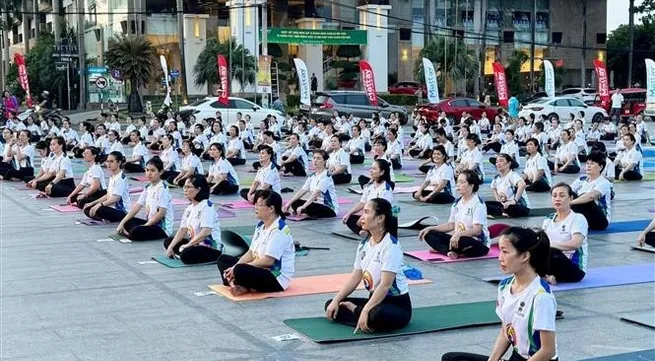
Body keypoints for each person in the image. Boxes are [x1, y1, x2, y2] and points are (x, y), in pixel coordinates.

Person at [441, 227, 557, 361]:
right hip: (517, 357)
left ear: (525, 256)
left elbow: (548, 350)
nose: (500, 257)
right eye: (500, 250)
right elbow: (505, 331)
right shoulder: (504, 286)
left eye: (505, 252)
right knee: (451, 358)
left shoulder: (541, 296)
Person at [325, 198, 411, 333]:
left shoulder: (391, 246)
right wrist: (336, 300)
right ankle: (364, 317)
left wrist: (363, 310)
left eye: (366, 212)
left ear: (380, 218)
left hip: (396, 304)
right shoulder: (364, 244)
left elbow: (385, 285)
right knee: (331, 305)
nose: (362, 217)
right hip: (374, 301)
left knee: (376, 315)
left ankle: (358, 312)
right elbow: (355, 277)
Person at [217, 190, 295, 295]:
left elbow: (268, 261)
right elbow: (250, 253)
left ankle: (239, 283)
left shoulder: (279, 230)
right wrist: (234, 266)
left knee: (240, 269)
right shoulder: (260, 226)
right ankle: (240, 285)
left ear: (271, 208)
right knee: (223, 260)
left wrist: (237, 268)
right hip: (257, 269)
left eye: (259, 205)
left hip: (274, 277)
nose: (255, 208)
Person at [418, 170, 490, 259]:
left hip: (476, 242)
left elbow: (477, 230)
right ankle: (449, 252)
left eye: (462, 182)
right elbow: (450, 225)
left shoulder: (478, 204)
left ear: (471, 185)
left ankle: (443, 249)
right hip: (456, 239)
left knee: (465, 242)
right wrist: (430, 228)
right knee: (429, 234)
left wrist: (458, 234)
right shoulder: (457, 202)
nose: (458, 184)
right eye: (458, 181)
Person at [163, 175, 223, 264]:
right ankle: (184, 250)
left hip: (209, 247)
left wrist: (187, 245)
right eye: (184, 187)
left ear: (198, 189)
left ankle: (186, 252)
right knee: (168, 242)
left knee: (186, 255)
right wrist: (171, 247)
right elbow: (183, 229)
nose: (185, 190)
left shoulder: (206, 206)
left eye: (188, 187)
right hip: (195, 243)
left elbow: (206, 231)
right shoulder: (189, 208)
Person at [116, 157, 175, 241]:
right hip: (151, 224)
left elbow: (161, 213)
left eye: (152, 170)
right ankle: (130, 232)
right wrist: (122, 223)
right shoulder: (148, 187)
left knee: (137, 231)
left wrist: (144, 226)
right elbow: (137, 206)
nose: (149, 173)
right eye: (147, 170)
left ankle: (131, 233)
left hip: (161, 228)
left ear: (161, 172)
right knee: (128, 221)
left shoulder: (162, 189)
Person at [542, 182, 589, 284]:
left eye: (562, 195)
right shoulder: (548, 219)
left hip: (574, 269)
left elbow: (575, 244)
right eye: (554, 196)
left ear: (571, 198)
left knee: (551, 252)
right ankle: (548, 276)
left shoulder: (578, 218)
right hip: (552, 260)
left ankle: (545, 276)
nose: (557, 198)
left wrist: (549, 245)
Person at [342, 159, 397, 236]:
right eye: (371, 168)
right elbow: (362, 203)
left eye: (374, 169)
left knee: (377, 219)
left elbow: (382, 210)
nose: (371, 171)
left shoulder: (386, 189)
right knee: (349, 219)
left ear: (382, 172)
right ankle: (367, 231)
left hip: (380, 217)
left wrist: (363, 217)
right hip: (370, 216)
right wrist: (348, 213)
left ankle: (366, 230)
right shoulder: (369, 187)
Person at [282, 150, 338, 218]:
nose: (315, 160)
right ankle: (305, 212)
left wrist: (303, 207)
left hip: (329, 208)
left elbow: (316, 194)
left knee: (311, 207)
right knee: (295, 202)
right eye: (314, 158)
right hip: (316, 204)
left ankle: (305, 212)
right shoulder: (312, 176)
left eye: (318, 158)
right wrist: (288, 204)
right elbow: (303, 190)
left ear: (324, 161)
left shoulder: (326, 176)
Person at [83, 151, 133, 223]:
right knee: (87, 207)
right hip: (112, 208)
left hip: (122, 212)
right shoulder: (113, 176)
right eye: (107, 161)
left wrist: (98, 205)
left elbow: (115, 198)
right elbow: (108, 195)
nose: (108, 164)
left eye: (111, 162)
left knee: (99, 209)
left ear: (119, 163)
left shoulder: (121, 178)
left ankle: (105, 218)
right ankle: (104, 218)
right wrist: (93, 203)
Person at [570, 152, 612, 230]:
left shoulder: (604, 182)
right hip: (584, 214)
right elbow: (568, 190)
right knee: (568, 193)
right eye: (587, 163)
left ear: (600, 167)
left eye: (592, 163)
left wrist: (570, 203)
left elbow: (591, 196)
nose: (588, 166)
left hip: (600, 220)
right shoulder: (581, 179)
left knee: (586, 198)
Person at [486, 153, 531, 218]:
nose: (498, 163)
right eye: (497, 162)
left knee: (511, 208)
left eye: (501, 161)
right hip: (504, 204)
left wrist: (514, 200)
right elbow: (493, 188)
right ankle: (502, 211)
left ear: (509, 163)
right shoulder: (496, 177)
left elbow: (522, 184)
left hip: (518, 205)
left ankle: (502, 211)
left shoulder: (512, 175)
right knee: (483, 205)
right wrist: (498, 199)